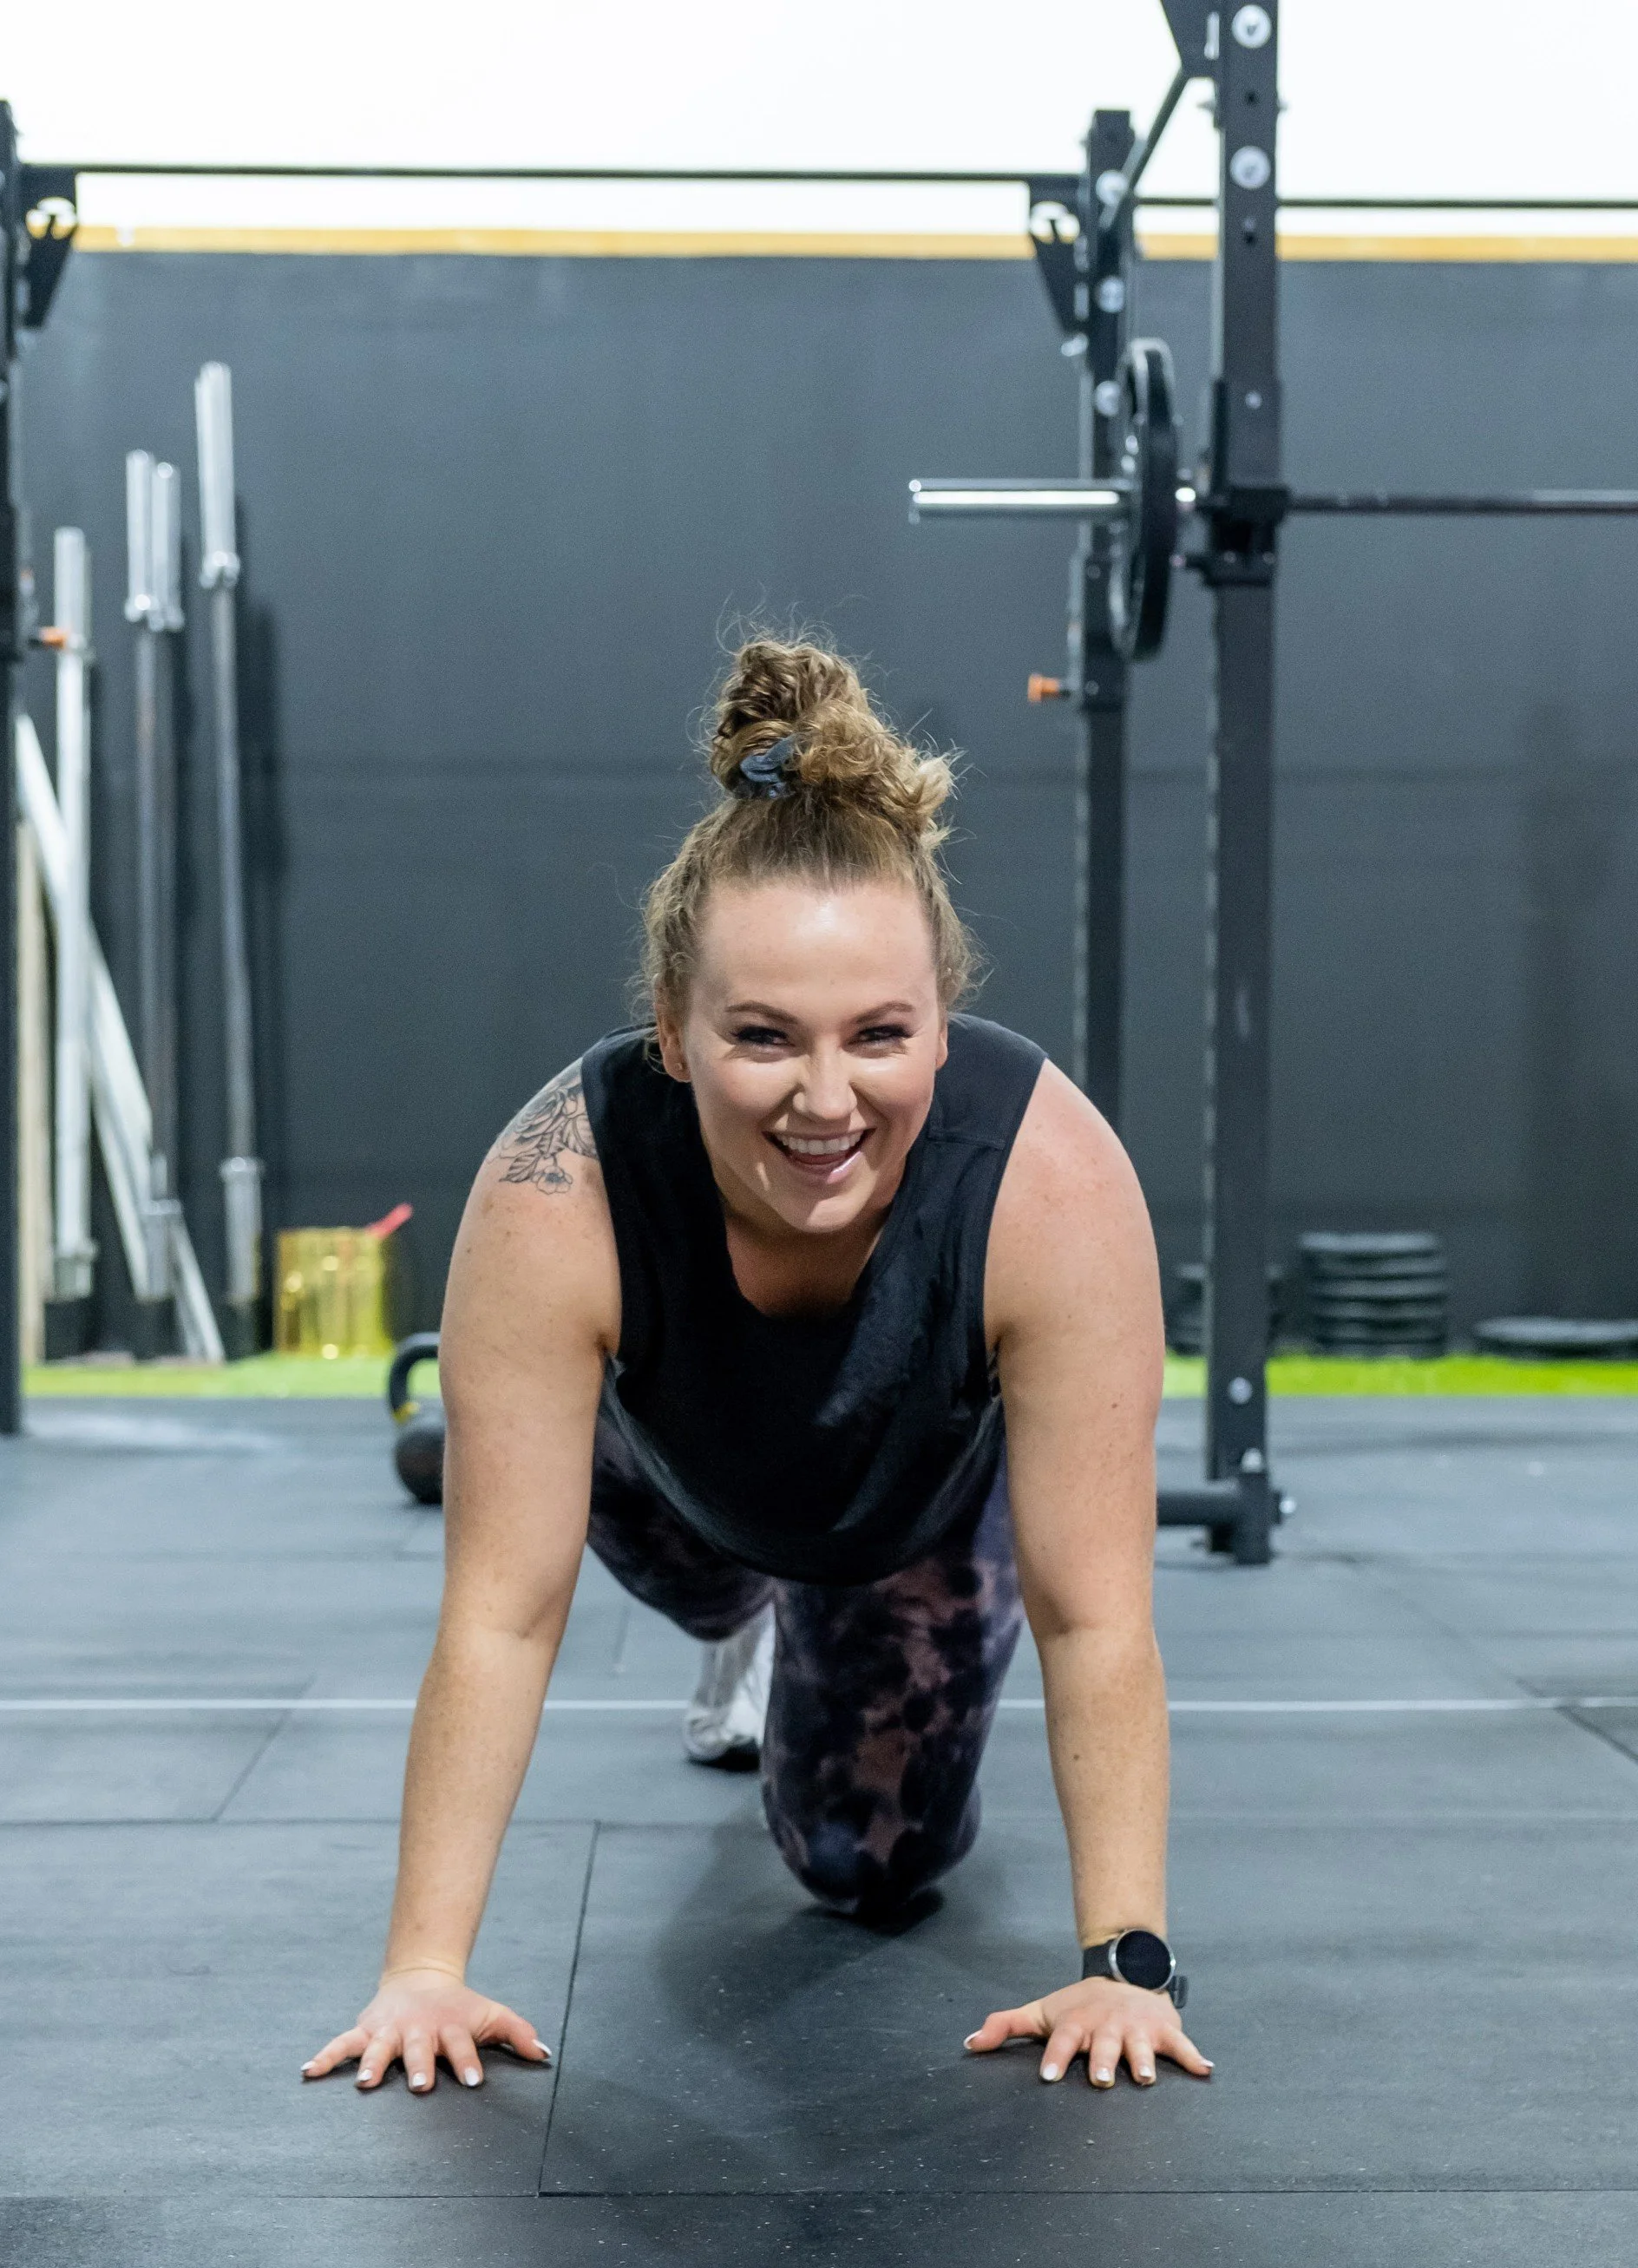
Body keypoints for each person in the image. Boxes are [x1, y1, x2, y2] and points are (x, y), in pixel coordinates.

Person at [305, 637, 1211, 2101]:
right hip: (669, 1473)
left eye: (882, 1037)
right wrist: (424, 1966)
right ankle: (732, 1609)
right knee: (538, 1487)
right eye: (762, 1039)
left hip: (900, 1510)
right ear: (672, 1028)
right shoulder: (560, 1189)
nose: (827, 1098)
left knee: (868, 1865)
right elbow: (503, 1609)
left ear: (946, 1020)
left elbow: (1097, 1618)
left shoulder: (1052, 1187)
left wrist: (1127, 1963)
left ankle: (799, 1612)